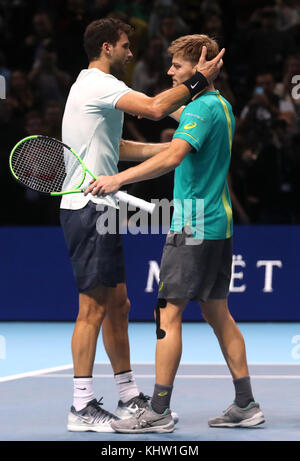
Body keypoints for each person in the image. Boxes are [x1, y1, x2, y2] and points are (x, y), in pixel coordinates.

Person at [85, 33, 265, 433]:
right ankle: (246, 403)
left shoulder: (201, 109)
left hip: (192, 227)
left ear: (198, 68)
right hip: (218, 225)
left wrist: (117, 179)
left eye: (177, 67)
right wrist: (110, 143)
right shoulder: (218, 105)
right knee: (219, 313)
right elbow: (158, 113)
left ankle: (159, 411)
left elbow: (172, 155)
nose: (169, 72)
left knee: (168, 314)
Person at [60, 18, 225, 432]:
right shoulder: (98, 84)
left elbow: (116, 148)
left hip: (103, 205)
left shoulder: (94, 91)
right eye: (125, 45)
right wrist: (196, 82)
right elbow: (155, 108)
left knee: (120, 306)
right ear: (105, 48)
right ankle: (80, 406)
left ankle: (129, 393)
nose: (131, 53)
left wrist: (174, 148)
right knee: (92, 308)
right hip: (87, 205)